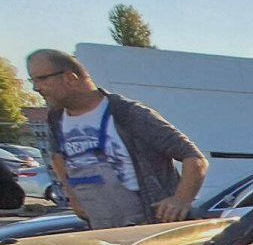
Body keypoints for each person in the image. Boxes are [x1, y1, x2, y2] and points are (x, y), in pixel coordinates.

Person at [25, 49, 208, 228]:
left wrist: (180, 200)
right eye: (32, 80)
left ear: (70, 78)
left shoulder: (128, 114)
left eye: (41, 79)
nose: (35, 88)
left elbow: (195, 159)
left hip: (150, 231)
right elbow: (59, 159)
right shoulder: (56, 118)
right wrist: (74, 198)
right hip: (104, 234)